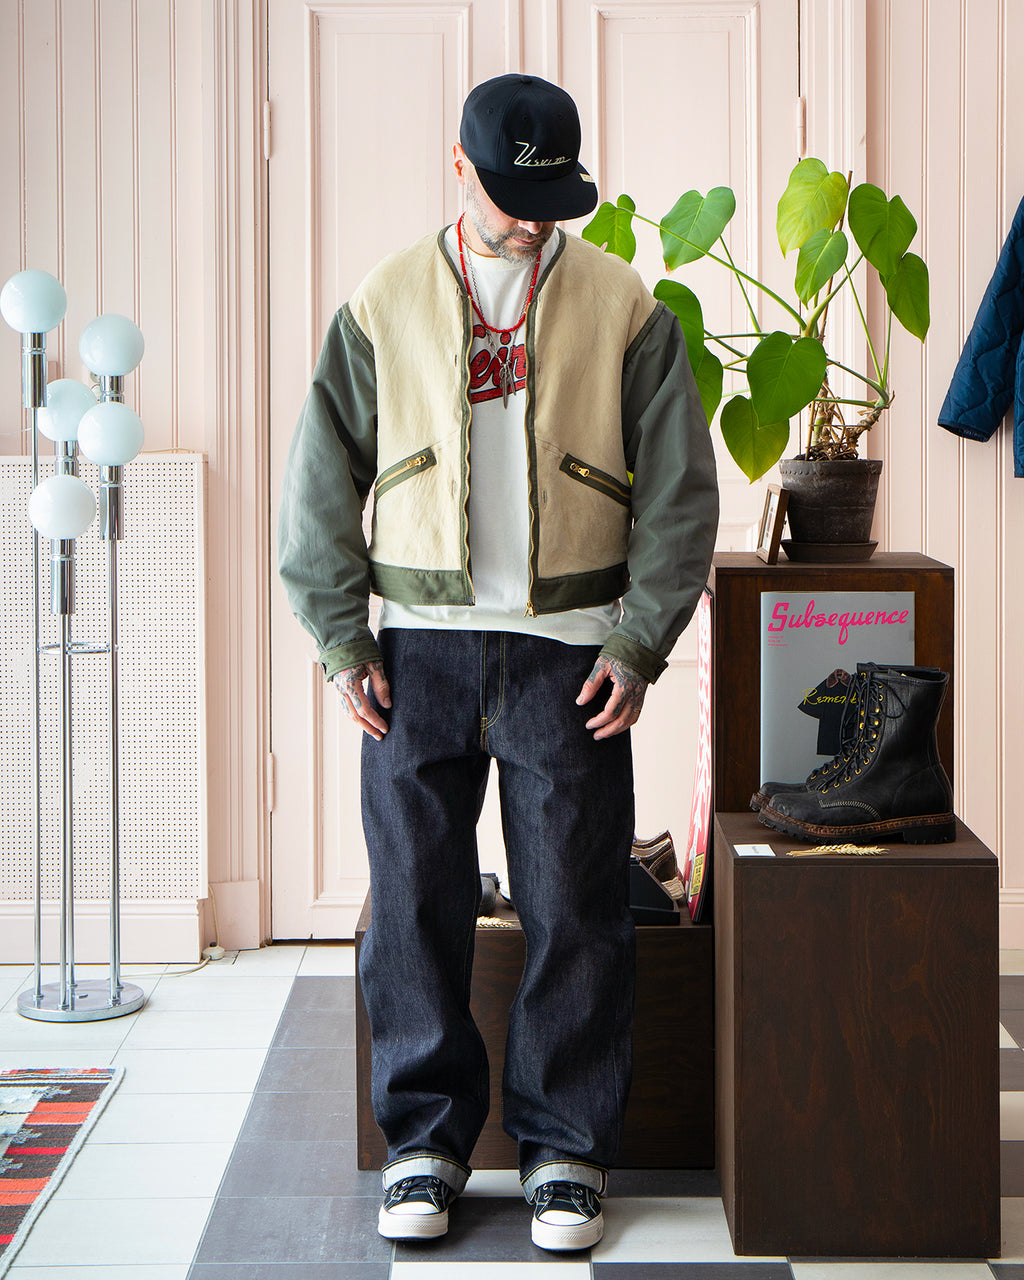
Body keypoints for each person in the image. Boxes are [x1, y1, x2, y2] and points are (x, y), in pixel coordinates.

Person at [278, 72, 719, 1252]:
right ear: (458, 168)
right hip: (414, 651)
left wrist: (639, 640)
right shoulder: (382, 301)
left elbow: (680, 493)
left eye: (553, 201)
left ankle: (566, 1146)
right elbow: (319, 479)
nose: (533, 222)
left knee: (575, 904)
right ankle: (424, 1140)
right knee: (412, 901)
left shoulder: (624, 307)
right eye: (513, 198)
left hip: (568, 653)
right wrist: (339, 638)